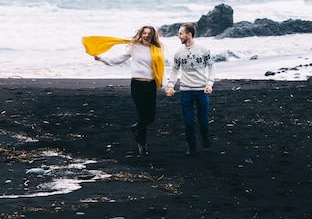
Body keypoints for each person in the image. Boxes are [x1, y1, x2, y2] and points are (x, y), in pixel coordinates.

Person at [82, 26, 165, 156]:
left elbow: (160, 67)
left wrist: (165, 85)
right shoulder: (134, 48)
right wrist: (102, 59)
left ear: (153, 35)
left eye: (149, 33)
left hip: (151, 85)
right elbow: (118, 59)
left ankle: (136, 127)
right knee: (143, 115)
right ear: (141, 34)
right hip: (137, 85)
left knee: (151, 117)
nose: (147, 35)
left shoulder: (157, 49)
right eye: (144, 33)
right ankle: (142, 145)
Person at [166, 22, 215, 156]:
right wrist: (171, 86)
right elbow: (175, 70)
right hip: (185, 91)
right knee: (188, 122)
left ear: (189, 34)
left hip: (201, 91)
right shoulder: (178, 53)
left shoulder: (204, 50)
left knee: (203, 121)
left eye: (181, 33)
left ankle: (205, 138)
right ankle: (191, 147)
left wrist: (209, 84)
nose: (178, 36)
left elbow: (211, 67)